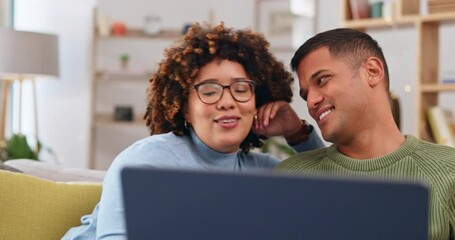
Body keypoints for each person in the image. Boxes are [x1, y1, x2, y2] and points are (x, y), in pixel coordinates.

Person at [62, 22, 324, 239]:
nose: (227, 101)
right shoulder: (145, 162)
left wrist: (297, 132)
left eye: (241, 89)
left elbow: (326, 198)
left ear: (259, 100)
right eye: (209, 91)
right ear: (184, 108)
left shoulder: (264, 172)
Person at [267, 28, 455, 240]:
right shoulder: (291, 176)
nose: (311, 102)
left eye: (321, 80)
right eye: (305, 95)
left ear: (372, 71)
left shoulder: (449, 171)